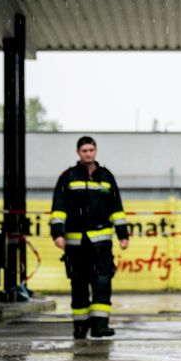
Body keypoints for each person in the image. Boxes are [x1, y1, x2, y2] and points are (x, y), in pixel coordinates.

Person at [49, 136, 129, 338]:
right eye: (84, 151)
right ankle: (80, 326)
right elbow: (59, 208)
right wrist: (57, 234)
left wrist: (123, 235)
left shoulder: (106, 176)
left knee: (102, 282)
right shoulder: (68, 176)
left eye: (91, 150)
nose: (88, 154)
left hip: (101, 242)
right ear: (78, 153)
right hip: (76, 243)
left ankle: (100, 324)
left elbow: (116, 208)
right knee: (79, 284)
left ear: (96, 151)